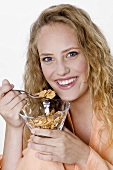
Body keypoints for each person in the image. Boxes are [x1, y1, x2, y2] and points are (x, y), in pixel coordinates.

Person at [0, 3, 113, 170]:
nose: (61, 70)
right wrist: (14, 127)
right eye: (48, 59)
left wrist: (83, 156)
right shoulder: (45, 118)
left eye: (71, 54)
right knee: (37, 155)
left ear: (92, 54)